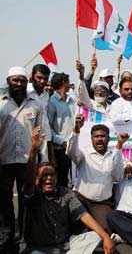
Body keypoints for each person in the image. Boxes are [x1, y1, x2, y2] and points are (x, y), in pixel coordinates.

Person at [22, 126, 115, 254]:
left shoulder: (65, 193)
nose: (48, 179)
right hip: (40, 249)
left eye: (51, 175)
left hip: (66, 246)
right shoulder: (33, 194)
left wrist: (105, 237)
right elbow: (28, 180)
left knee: (96, 236)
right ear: (37, 179)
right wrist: (33, 150)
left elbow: (84, 216)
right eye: (44, 176)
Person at [0, 66, 47, 253]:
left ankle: (25, 239)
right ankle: (7, 237)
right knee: (4, 203)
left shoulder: (36, 105)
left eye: (21, 80)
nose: (18, 84)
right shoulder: (1, 105)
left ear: (26, 82)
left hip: (28, 162)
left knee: (28, 202)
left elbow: (42, 135)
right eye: (15, 80)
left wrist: (43, 162)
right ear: (8, 82)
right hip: (4, 161)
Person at [66, 114, 129, 231]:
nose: (99, 139)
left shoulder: (114, 154)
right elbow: (70, 152)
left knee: (105, 232)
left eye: (103, 136)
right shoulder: (83, 154)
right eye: (96, 136)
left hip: (101, 204)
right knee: (73, 229)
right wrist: (76, 130)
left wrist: (120, 145)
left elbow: (118, 176)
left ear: (108, 139)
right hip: (81, 200)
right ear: (91, 139)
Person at [47, 72, 75, 187]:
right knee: (61, 181)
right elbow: (48, 127)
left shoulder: (72, 100)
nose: (70, 84)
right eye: (68, 82)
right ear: (63, 83)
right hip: (60, 150)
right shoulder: (51, 102)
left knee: (75, 180)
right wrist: (61, 141)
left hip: (74, 147)